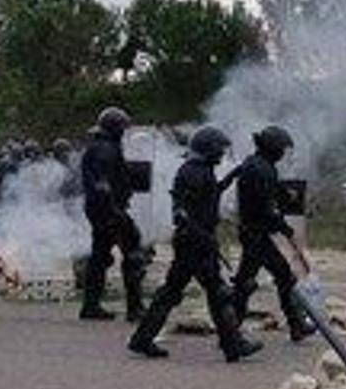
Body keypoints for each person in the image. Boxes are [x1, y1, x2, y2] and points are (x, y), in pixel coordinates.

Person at [128, 126, 261, 361]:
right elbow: (183, 212)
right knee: (216, 293)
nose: (221, 153)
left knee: (174, 292)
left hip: (194, 241)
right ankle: (233, 344)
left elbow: (210, 194)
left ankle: (143, 338)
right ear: (208, 149)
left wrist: (234, 174)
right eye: (219, 148)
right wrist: (205, 237)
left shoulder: (199, 170)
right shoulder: (194, 172)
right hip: (195, 242)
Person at [229, 125, 314, 340]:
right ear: (272, 148)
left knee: (268, 277)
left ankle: (296, 326)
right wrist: (285, 229)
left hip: (253, 232)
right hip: (256, 233)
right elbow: (266, 209)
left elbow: (269, 195)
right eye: (281, 148)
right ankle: (230, 331)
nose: (283, 152)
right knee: (252, 281)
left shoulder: (254, 164)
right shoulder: (263, 169)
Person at [79, 107, 149, 322]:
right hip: (110, 209)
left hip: (100, 210)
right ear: (116, 128)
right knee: (134, 254)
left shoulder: (98, 146)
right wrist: (114, 210)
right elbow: (102, 183)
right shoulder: (106, 149)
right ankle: (135, 308)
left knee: (99, 257)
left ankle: (90, 306)